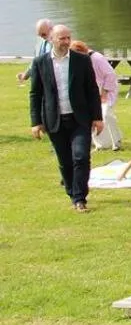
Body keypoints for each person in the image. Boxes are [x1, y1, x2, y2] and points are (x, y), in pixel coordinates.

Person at [28, 23, 104, 213]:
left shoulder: (82, 60)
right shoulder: (40, 62)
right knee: (65, 161)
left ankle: (80, 198)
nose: (66, 41)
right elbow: (35, 94)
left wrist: (97, 117)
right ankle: (72, 192)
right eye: (62, 38)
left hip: (79, 118)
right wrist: (36, 122)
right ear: (51, 39)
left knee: (81, 156)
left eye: (68, 38)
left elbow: (92, 90)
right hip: (55, 120)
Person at [73, 40, 122, 151]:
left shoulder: (97, 58)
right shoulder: (80, 61)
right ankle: (98, 144)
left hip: (107, 89)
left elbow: (110, 75)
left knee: (106, 114)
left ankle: (116, 141)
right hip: (92, 92)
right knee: (90, 117)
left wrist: (104, 92)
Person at [16, 18, 52, 83]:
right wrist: (25, 75)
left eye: (43, 34)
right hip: (39, 82)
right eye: (39, 35)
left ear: (51, 30)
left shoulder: (58, 44)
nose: (42, 37)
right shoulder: (39, 43)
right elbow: (35, 62)